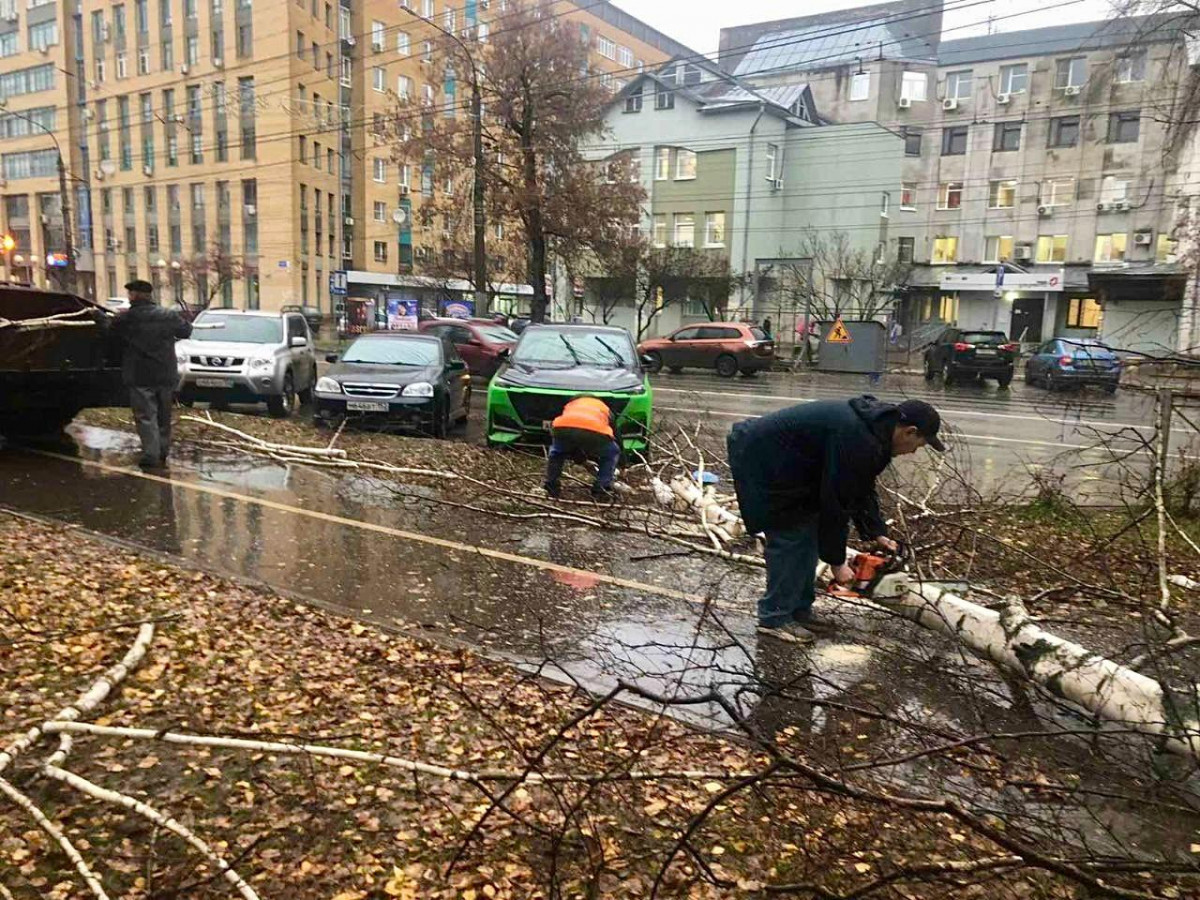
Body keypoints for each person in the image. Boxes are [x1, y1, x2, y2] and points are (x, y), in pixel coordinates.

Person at [727, 396, 945, 643]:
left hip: (794, 465)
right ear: (909, 431)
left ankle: (798, 610)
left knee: (808, 529)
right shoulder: (858, 437)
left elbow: (861, 486)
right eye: (919, 444)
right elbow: (837, 501)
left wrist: (876, 532)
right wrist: (837, 563)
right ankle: (774, 618)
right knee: (792, 535)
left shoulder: (876, 433)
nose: (914, 452)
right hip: (763, 459)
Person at [111, 279, 192, 469]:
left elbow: (109, 332)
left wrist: (99, 317)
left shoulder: (128, 318)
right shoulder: (167, 315)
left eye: (130, 294)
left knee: (146, 416)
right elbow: (186, 331)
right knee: (164, 415)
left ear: (134, 296)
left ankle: (151, 455)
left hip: (140, 376)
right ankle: (162, 451)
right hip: (165, 374)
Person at [544, 396, 621, 500]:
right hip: (594, 430)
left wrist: (579, 457)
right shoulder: (604, 408)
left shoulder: (571, 404)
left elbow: (574, 432)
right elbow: (616, 436)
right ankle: (601, 489)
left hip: (563, 427)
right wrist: (623, 462)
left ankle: (551, 486)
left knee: (557, 453)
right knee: (611, 452)